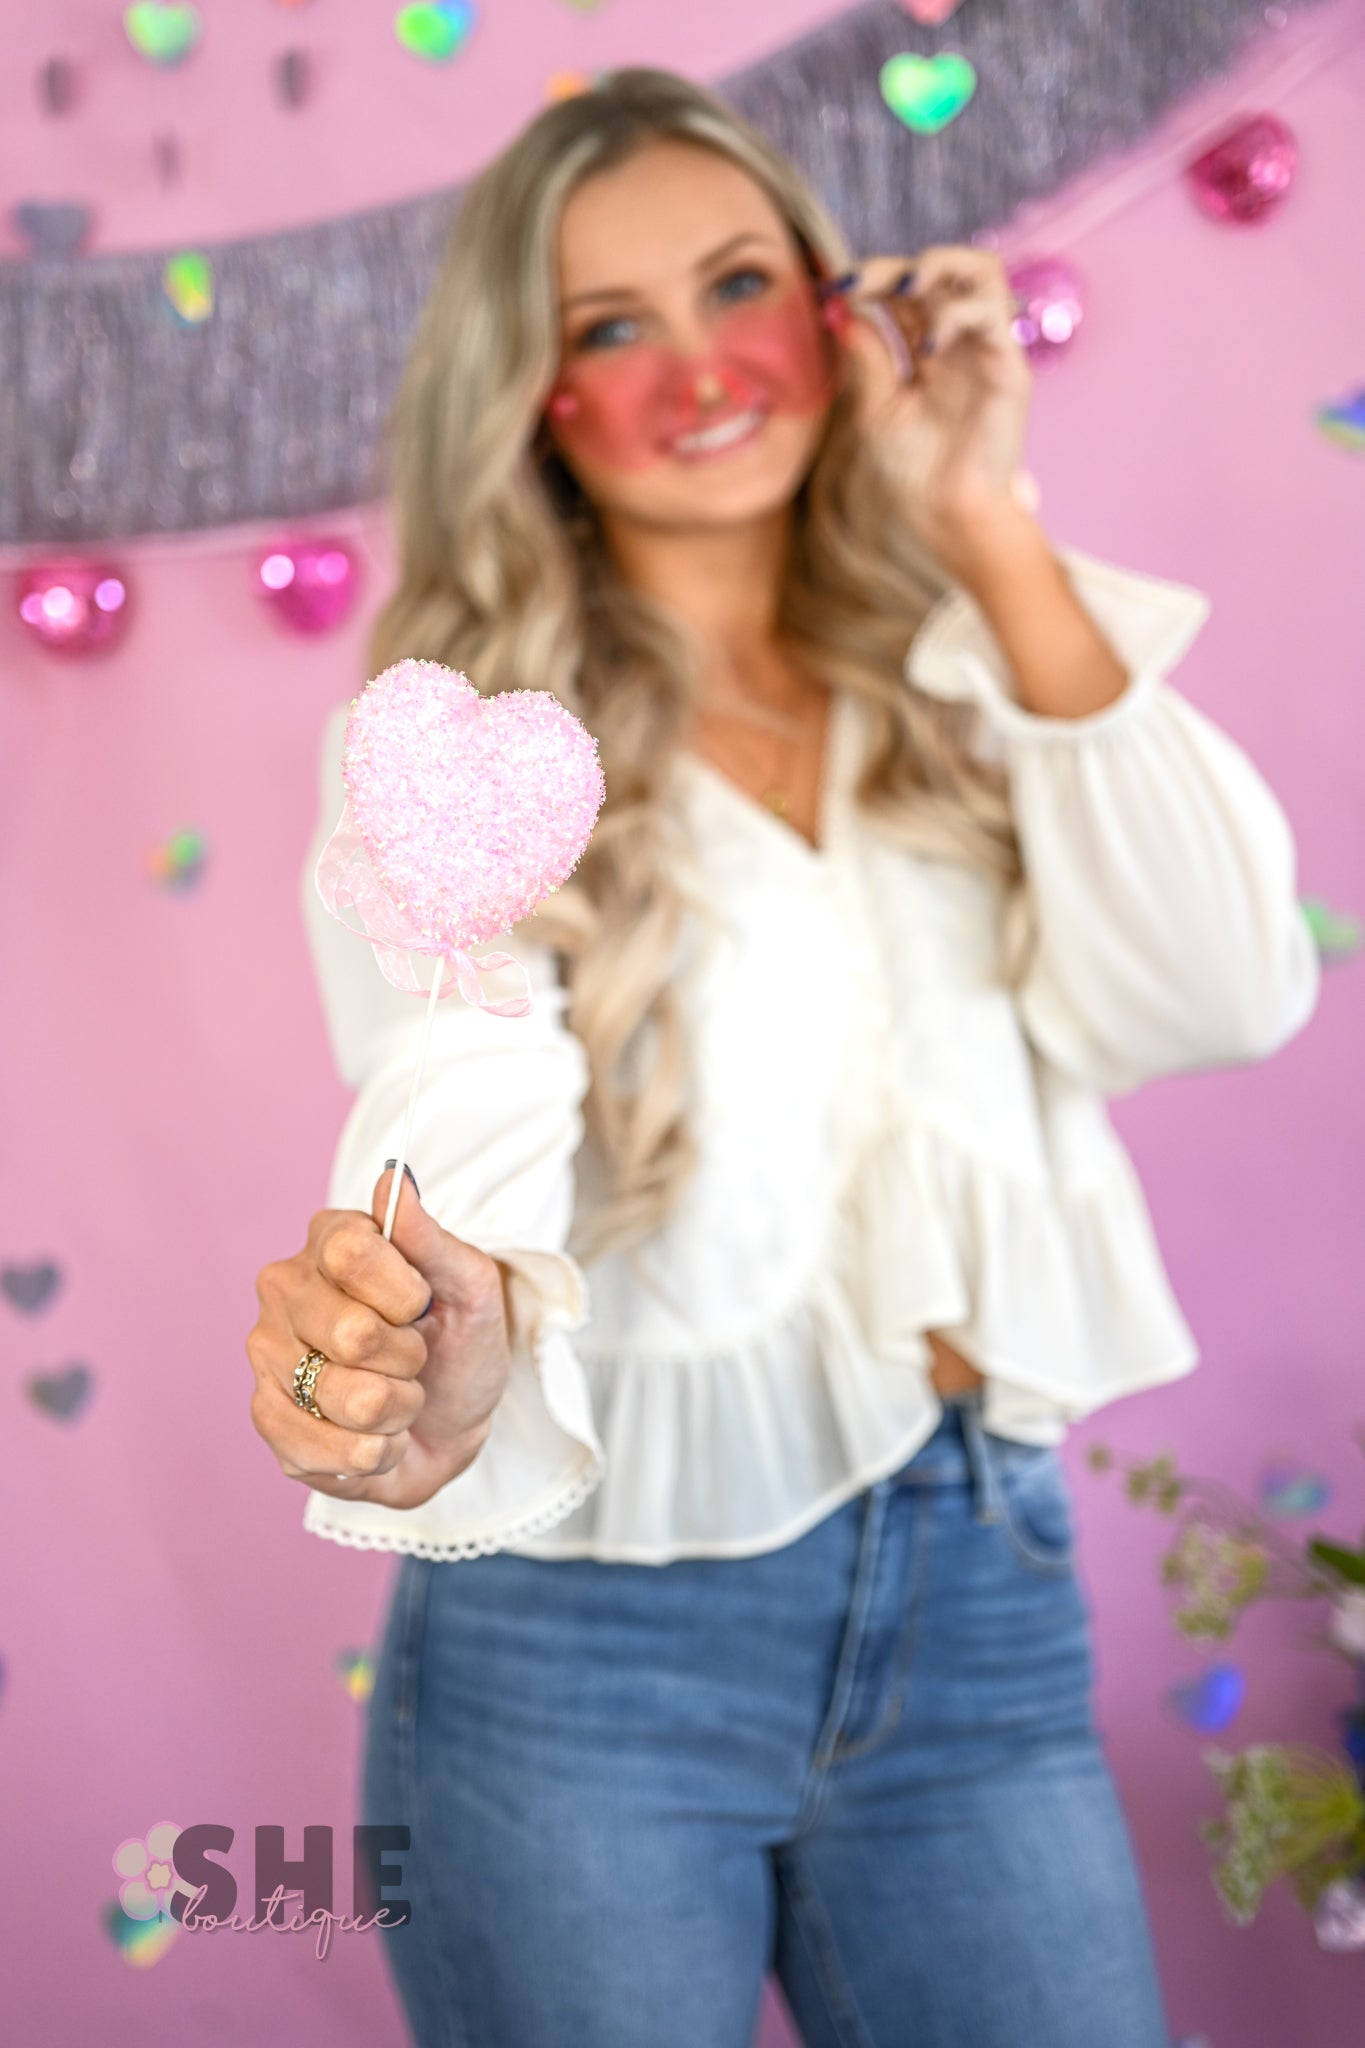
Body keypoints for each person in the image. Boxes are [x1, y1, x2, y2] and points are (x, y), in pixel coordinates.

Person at [246, 68, 1320, 2048]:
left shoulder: (973, 667)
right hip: (579, 1653)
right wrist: (437, 1320)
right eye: (606, 327)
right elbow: (460, 1068)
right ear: (535, 397)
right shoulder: (459, 744)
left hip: (979, 1611)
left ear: (835, 312)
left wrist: (982, 516)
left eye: (739, 284)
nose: (696, 370)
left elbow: (1216, 988)